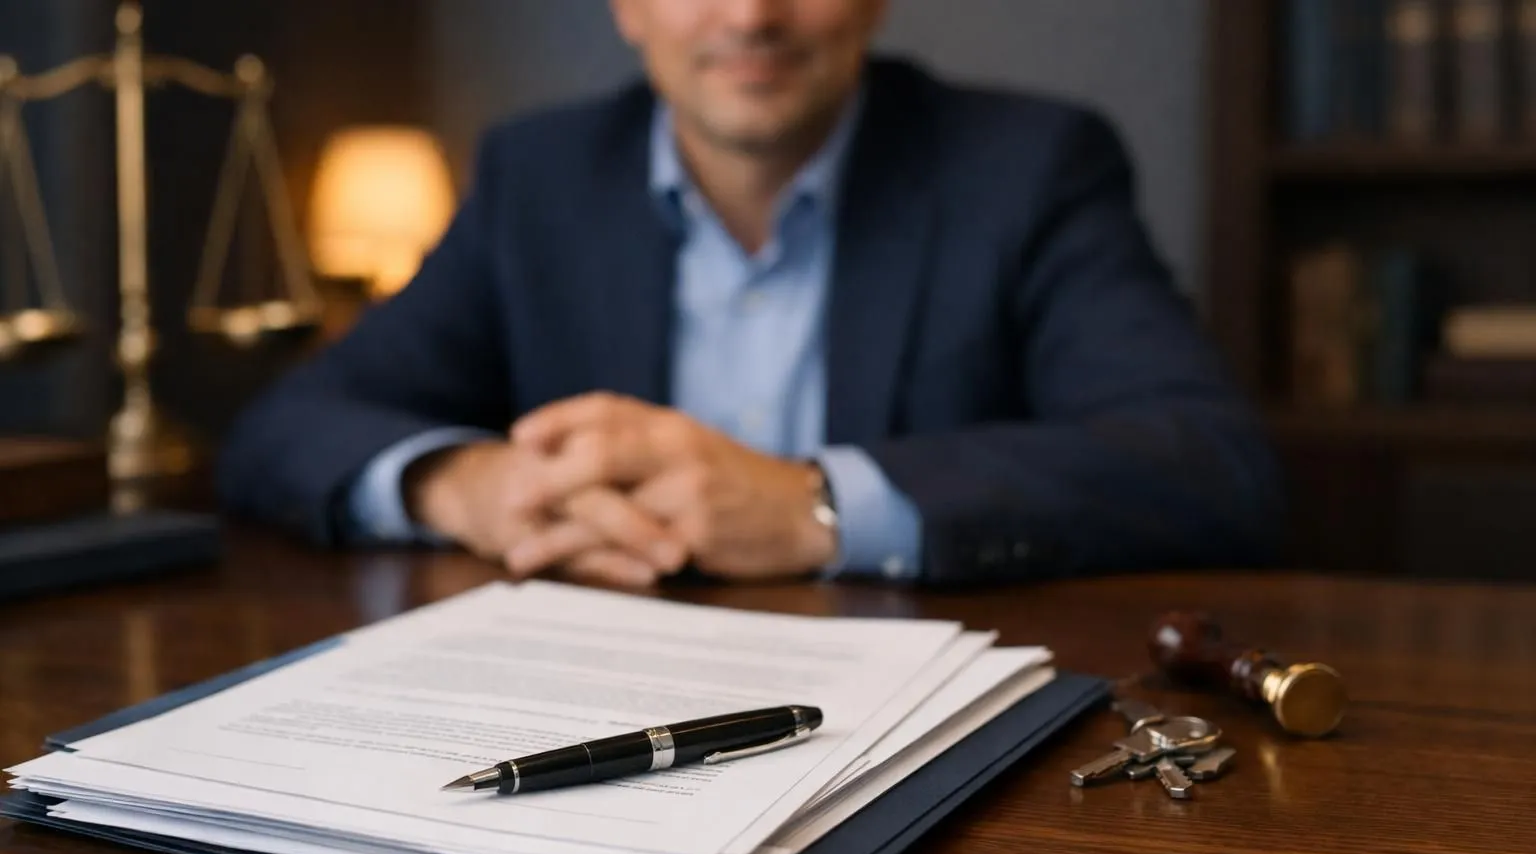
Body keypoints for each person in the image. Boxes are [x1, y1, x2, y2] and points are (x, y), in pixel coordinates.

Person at [218, 0, 1282, 588]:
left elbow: (1207, 463)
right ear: (627, 7)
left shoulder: (1032, 164)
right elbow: (288, 425)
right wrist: (463, 483)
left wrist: (815, 506)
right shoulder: (536, 177)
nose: (750, 13)